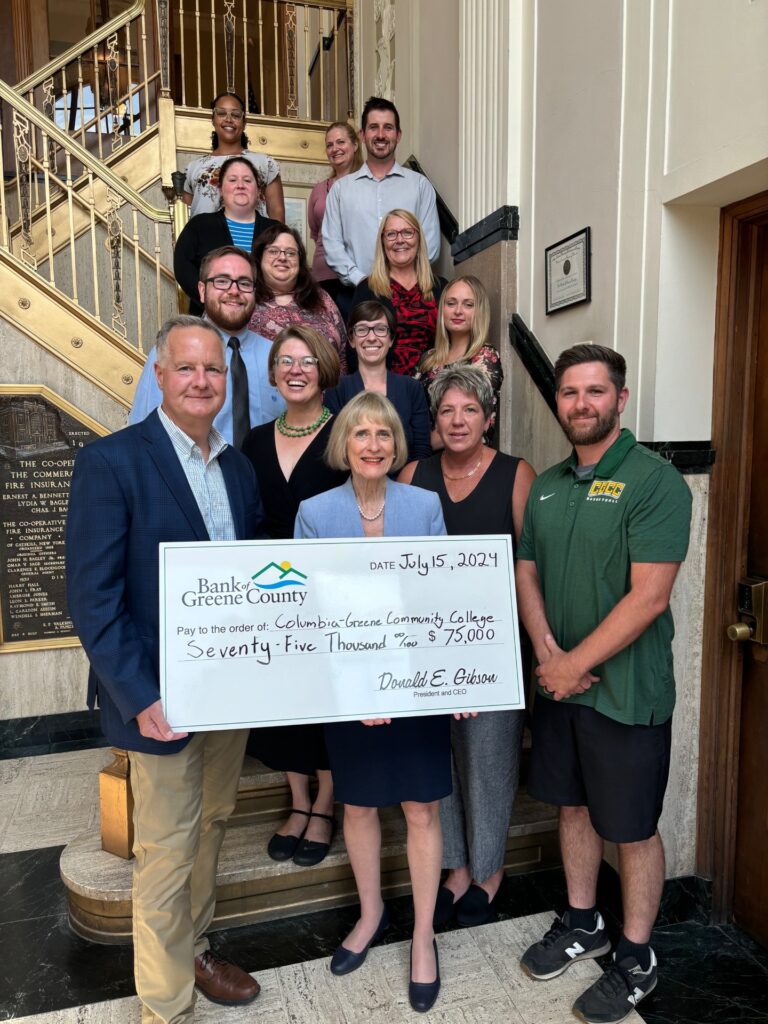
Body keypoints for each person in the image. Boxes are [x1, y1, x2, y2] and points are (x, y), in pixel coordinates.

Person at [66, 315, 265, 1022]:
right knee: (163, 856)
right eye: (187, 368)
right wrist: (141, 696)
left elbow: (252, 583)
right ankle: (165, 1008)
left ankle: (195, 948)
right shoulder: (112, 462)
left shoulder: (238, 469)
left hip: (227, 697)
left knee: (212, 825)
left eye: (212, 370)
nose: (201, 381)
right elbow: (92, 599)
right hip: (159, 705)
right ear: (158, 374)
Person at [515, 343, 692, 1024]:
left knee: (633, 828)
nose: (580, 404)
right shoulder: (551, 483)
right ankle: (584, 922)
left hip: (626, 695)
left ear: (619, 400)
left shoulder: (655, 482)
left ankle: (637, 955)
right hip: (562, 688)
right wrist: (546, 650)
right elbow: (526, 567)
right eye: (569, 393)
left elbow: (649, 598)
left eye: (595, 392)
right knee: (573, 807)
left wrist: (571, 661)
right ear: (556, 401)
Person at [294, 391, 450, 1013]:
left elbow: (444, 597)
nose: (374, 445)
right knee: (356, 807)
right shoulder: (313, 513)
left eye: (384, 434)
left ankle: (422, 935)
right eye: (361, 434)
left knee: (420, 810)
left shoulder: (425, 505)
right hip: (347, 688)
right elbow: (307, 613)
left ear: (396, 444)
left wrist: (459, 678)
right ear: (345, 445)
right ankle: (371, 913)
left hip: (416, 686)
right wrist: (357, 687)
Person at [400, 364, 536, 928]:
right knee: (441, 759)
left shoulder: (515, 474)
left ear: (489, 418)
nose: (458, 421)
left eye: (470, 410)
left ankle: (489, 869)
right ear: (435, 421)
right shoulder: (412, 473)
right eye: (447, 411)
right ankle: (455, 866)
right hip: (427, 644)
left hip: (492, 647)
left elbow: (530, 564)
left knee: (489, 757)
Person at [242, 325, 347, 867]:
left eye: (307, 360)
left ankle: (326, 802)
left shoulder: (347, 433)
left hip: (330, 590)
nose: (296, 370)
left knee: (323, 698)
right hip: (271, 591)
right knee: (281, 698)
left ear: (324, 367)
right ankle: (298, 800)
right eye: (286, 361)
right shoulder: (256, 440)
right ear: (274, 372)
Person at [129, 245, 285, 447]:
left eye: (244, 283)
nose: (234, 291)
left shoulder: (277, 356)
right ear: (202, 291)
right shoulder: (171, 351)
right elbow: (143, 433)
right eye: (222, 281)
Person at [321, 96, 440, 289]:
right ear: (362, 134)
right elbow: (332, 244)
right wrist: (360, 280)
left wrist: (401, 280)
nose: (381, 135)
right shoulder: (341, 190)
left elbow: (430, 245)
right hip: (357, 294)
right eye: (374, 127)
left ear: (399, 135)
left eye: (388, 127)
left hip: (409, 294)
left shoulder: (419, 186)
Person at [324, 300, 431, 463]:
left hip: (405, 483)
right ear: (352, 340)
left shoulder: (411, 388)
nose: (372, 337)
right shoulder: (337, 389)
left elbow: (422, 450)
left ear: (391, 339)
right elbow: (334, 448)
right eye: (362, 330)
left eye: (380, 329)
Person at [174, 156, 278, 315]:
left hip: (267, 319)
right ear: (221, 189)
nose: (240, 185)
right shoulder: (199, 226)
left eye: (248, 180)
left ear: (258, 191)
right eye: (233, 180)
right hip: (210, 318)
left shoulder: (276, 231)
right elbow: (183, 268)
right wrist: (214, 301)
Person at [351, 209, 446, 376]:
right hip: (382, 388)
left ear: (418, 239)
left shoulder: (440, 287)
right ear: (383, 242)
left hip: (432, 386)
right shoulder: (367, 288)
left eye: (407, 233)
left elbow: (450, 343)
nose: (400, 240)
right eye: (391, 234)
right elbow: (353, 347)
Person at [415, 275, 503, 449]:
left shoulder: (485, 357)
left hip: (468, 457)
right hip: (427, 460)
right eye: (451, 303)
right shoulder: (428, 358)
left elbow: (471, 421)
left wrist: (420, 446)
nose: (458, 311)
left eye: (468, 304)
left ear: (479, 311)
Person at [248, 224, 347, 373]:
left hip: (331, 393)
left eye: (290, 253)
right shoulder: (246, 301)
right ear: (259, 258)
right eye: (274, 251)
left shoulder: (322, 298)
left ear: (300, 262)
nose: (282, 257)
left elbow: (343, 354)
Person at [183, 91, 285, 220]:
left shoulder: (266, 163)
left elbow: (277, 217)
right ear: (213, 120)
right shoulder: (194, 167)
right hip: (205, 239)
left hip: (253, 239)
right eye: (221, 113)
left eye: (236, 115)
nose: (228, 119)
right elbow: (185, 219)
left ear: (244, 123)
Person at [308, 120, 363, 314]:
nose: (335, 149)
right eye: (329, 145)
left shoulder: (367, 186)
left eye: (341, 142)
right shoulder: (318, 190)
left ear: (355, 145)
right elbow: (316, 232)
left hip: (357, 275)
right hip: (323, 276)